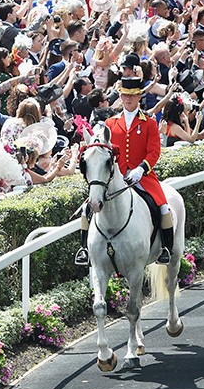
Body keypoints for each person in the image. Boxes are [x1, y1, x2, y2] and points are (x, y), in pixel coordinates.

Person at [75, 77, 174, 266]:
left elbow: (154, 151)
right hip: (116, 177)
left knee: (163, 207)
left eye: (132, 96)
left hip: (142, 177)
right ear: (120, 96)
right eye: (125, 95)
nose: (128, 99)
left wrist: (141, 169)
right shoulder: (111, 123)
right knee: (87, 208)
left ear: (139, 97)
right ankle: (84, 250)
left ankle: (166, 248)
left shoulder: (149, 122)